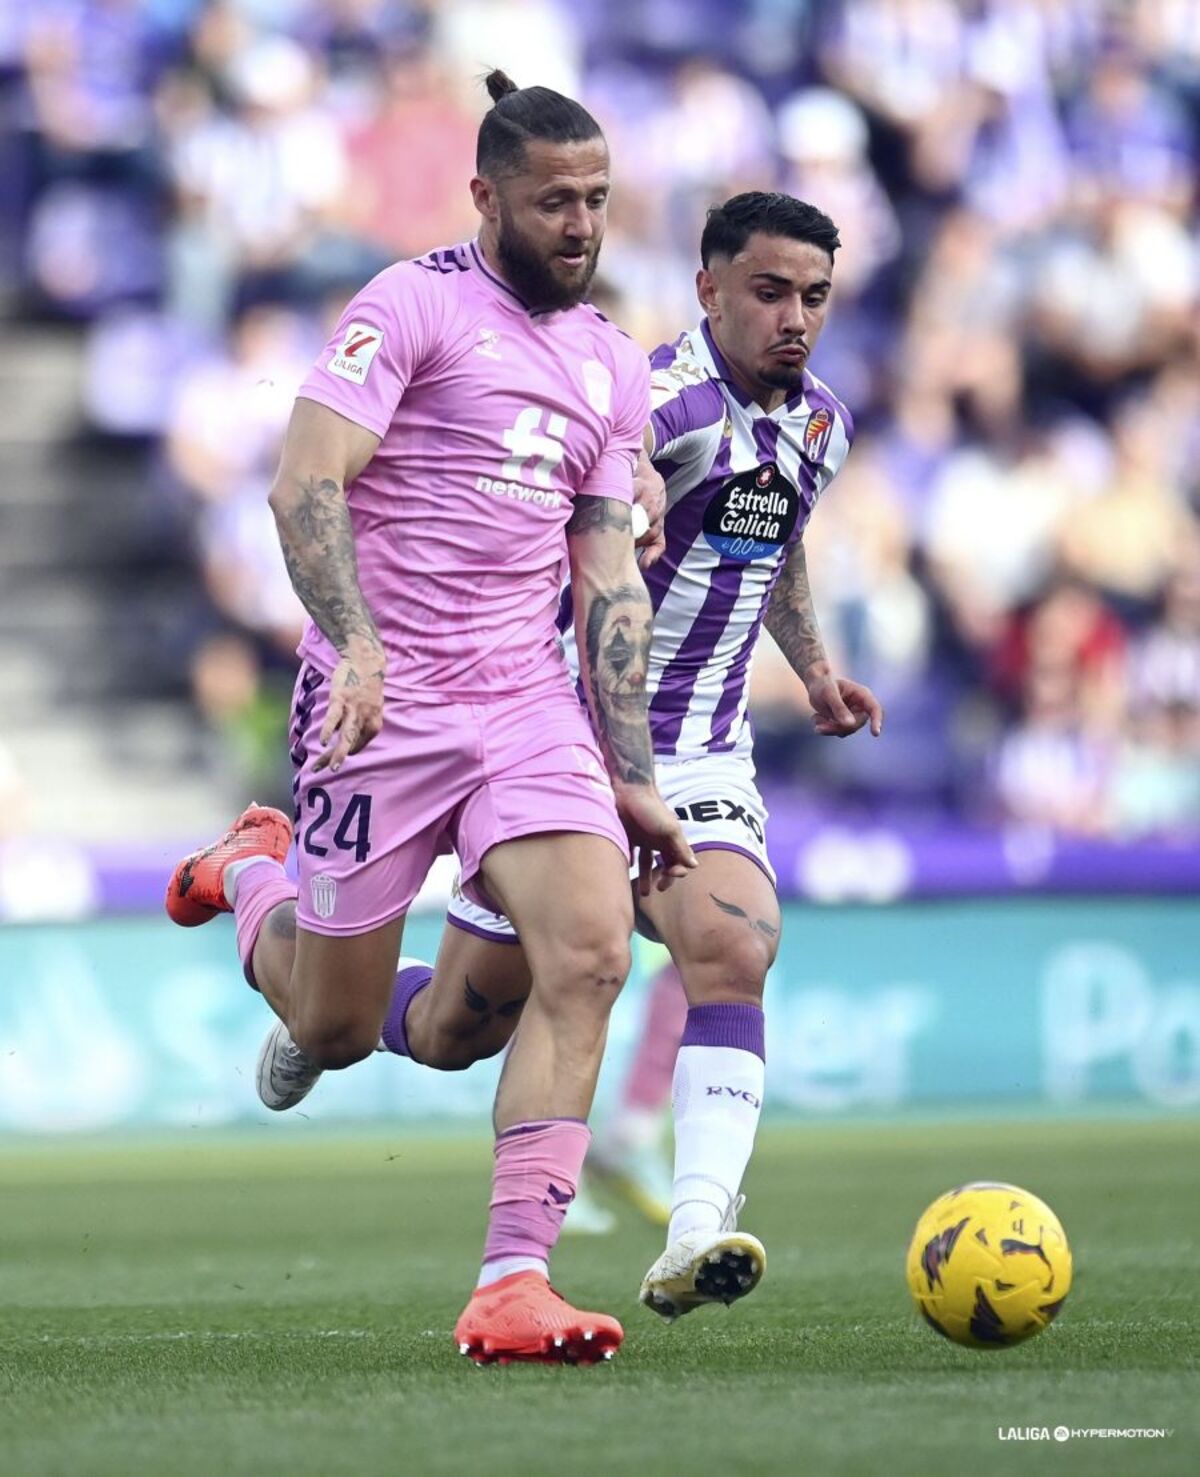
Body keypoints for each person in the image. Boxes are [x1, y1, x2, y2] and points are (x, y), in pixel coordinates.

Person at [261, 191, 883, 1324]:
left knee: (731, 942)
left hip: (697, 749)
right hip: (559, 723)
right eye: (770, 292)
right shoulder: (647, 393)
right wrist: (632, 489)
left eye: (815, 298)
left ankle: (693, 1229)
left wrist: (815, 665)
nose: (795, 318)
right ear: (708, 289)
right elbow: (594, 502)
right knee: (453, 1030)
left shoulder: (824, 425)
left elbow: (777, 541)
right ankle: (268, 911)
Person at [165, 71, 695, 1368]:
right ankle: (252, 872)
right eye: (554, 201)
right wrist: (352, 641)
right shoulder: (408, 305)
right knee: (338, 1030)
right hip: (382, 710)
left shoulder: (611, 364)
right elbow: (305, 485)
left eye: (598, 201)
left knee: (580, 957)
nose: (580, 225)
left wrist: (626, 765)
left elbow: (608, 575)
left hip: (524, 710)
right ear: (486, 197)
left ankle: (514, 1280)